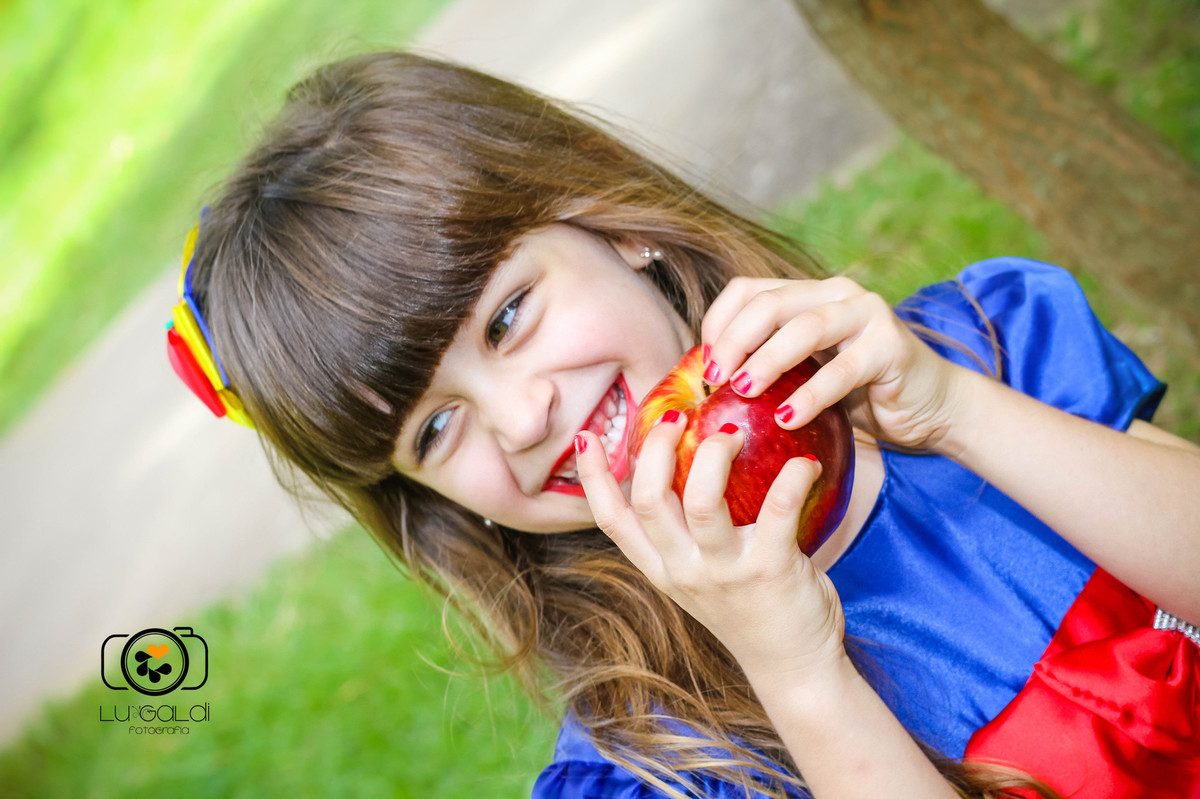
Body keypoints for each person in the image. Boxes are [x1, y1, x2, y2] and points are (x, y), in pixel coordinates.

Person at [165, 51, 1200, 798]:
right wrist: (796, 667)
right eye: (435, 432)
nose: (524, 416)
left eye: (509, 316)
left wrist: (960, 411)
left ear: (610, 222)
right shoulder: (657, 767)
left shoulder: (984, 351)